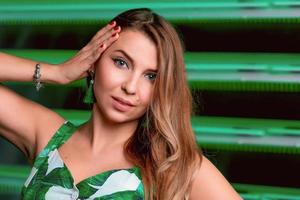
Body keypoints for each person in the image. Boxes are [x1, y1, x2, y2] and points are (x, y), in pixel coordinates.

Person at [0, 8, 241, 200]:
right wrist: (57, 72)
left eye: (151, 76)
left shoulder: (173, 167)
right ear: (93, 61)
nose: (131, 87)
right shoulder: (48, 136)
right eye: (121, 63)